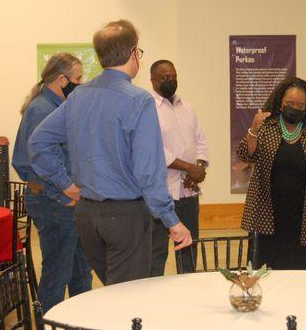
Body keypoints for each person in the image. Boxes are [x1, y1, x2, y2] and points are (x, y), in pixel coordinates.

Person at [28, 19, 192, 286]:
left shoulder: (79, 96)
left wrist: (65, 183)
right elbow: (148, 170)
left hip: (86, 217)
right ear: (133, 54)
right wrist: (171, 220)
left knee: (112, 293)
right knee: (126, 299)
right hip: (125, 218)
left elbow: (38, 143)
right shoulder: (139, 100)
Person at [12, 52, 92, 313]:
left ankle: (82, 320)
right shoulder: (42, 109)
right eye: (78, 79)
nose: (80, 84)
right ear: (61, 80)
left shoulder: (55, 106)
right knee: (57, 274)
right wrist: (68, 189)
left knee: (80, 271)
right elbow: (36, 160)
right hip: (55, 202)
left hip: (65, 201)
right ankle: (50, 320)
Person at [237, 77, 306, 270]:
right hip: (267, 214)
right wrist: (254, 128)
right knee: (265, 273)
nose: (294, 108)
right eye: (289, 103)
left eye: (300, 105)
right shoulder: (266, 126)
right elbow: (245, 154)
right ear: (280, 102)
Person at [149, 59, 209, 276]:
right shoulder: (149, 109)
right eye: (165, 77)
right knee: (156, 253)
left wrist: (199, 169)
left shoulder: (187, 108)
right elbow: (155, 149)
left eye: (173, 77)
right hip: (162, 193)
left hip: (188, 192)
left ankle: (187, 293)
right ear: (153, 80)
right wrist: (188, 168)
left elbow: (200, 141)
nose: (170, 81)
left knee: (189, 248)